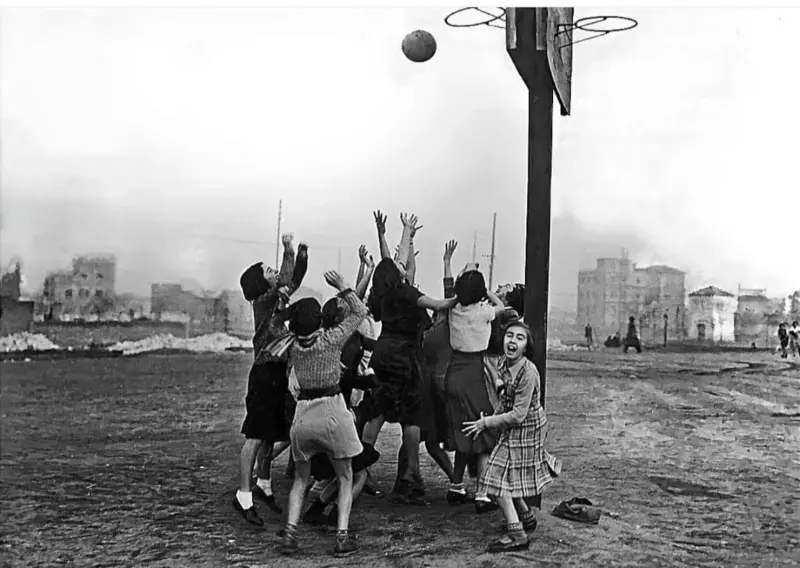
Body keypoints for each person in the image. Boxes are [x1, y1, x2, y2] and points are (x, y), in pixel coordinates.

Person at [358, 211, 458, 505]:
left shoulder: (381, 294)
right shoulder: (406, 293)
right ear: (399, 276)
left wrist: (397, 235)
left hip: (383, 353)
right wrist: (465, 296)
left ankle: (361, 463)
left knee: (377, 409)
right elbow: (440, 302)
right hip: (405, 357)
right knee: (411, 417)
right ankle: (411, 474)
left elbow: (390, 264)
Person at [279, 270, 367, 557]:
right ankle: (342, 536)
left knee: (300, 480)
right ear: (319, 321)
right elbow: (359, 311)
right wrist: (343, 287)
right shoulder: (331, 340)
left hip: (302, 415)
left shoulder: (292, 345)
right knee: (344, 477)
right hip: (331, 410)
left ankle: (290, 534)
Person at [462, 320, 562, 553]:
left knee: (496, 479)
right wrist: (487, 424)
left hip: (528, 429)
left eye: (520, 337)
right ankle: (526, 517)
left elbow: (517, 415)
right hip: (514, 427)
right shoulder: (503, 364)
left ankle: (517, 534)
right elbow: (506, 401)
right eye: (509, 335)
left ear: (526, 347)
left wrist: (486, 423)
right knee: (507, 475)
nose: (512, 341)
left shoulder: (528, 373)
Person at [233, 234, 307, 527]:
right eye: (268, 270)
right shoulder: (264, 300)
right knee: (254, 436)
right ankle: (244, 495)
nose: (274, 271)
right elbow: (288, 278)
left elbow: (293, 280)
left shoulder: (275, 299)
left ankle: (263, 482)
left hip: (277, 373)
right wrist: (289, 252)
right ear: (261, 284)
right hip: (264, 374)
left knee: (273, 433)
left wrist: (300, 255)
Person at [443, 262, 510, 513]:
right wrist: (489, 293)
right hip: (473, 374)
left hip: (453, 373)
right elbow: (501, 307)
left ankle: (457, 485)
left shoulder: (454, 310)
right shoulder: (484, 312)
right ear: (480, 292)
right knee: (483, 435)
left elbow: (451, 287)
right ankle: (482, 494)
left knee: (464, 431)